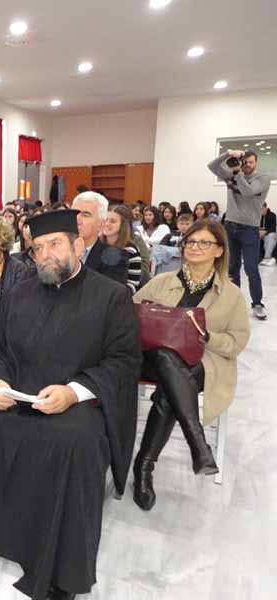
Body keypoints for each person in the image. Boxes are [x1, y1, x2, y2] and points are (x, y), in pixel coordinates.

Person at [0, 209, 141, 600]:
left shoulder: (112, 296)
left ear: (78, 245)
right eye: (38, 248)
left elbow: (123, 362)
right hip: (17, 392)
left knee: (75, 441)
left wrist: (73, 392)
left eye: (55, 244)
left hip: (75, 402)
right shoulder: (18, 293)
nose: (45, 255)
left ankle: (61, 568)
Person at [132, 220, 250, 511]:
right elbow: (129, 314)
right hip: (149, 359)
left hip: (202, 361)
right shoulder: (162, 281)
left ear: (219, 250)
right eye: (191, 242)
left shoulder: (231, 295)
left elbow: (237, 341)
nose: (195, 247)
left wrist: (207, 337)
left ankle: (144, 466)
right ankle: (198, 445)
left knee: (170, 389)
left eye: (204, 242)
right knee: (165, 356)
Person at [208, 149, 271, 320]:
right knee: (232, 267)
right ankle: (233, 303)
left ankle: (257, 304)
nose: (247, 165)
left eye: (250, 162)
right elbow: (212, 166)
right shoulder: (232, 176)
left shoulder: (263, 179)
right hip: (230, 226)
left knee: (251, 269)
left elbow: (248, 191)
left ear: (256, 163)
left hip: (249, 229)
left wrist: (237, 172)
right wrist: (228, 153)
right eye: (245, 162)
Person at [72, 191, 129, 286]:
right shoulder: (55, 252)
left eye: (85, 215)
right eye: (74, 214)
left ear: (101, 224)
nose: (77, 220)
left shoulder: (114, 257)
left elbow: (110, 293)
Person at [101, 204, 146, 294]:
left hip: (118, 297)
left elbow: (132, 286)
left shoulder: (131, 250)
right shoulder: (97, 245)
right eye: (105, 220)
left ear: (123, 225)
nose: (107, 224)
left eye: (113, 221)